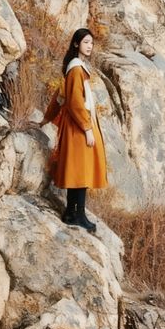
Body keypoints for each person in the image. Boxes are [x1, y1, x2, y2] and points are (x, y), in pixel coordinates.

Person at [42, 28, 107, 231]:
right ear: (77, 44)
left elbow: (60, 96)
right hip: (79, 126)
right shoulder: (76, 69)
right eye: (86, 42)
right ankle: (76, 214)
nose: (90, 46)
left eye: (91, 43)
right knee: (81, 170)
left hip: (78, 124)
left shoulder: (74, 68)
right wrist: (87, 128)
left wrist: (47, 118)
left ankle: (73, 212)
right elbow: (76, 102)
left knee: (80, 169)